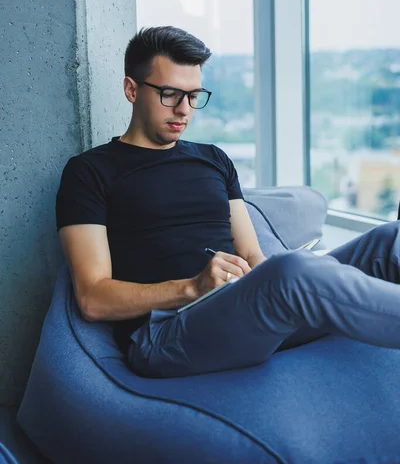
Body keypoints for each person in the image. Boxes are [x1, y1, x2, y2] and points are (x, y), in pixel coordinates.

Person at [56, 25, 400, 379]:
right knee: (291, 272)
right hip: (166, 333)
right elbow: (92, 299)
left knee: (390, 239)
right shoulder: (89, 172)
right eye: (170, 93)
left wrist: (274, 281)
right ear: (131, 89)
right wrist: (193, 287)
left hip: (239, 313)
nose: (184, 110)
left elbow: (253, 257)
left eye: (194, 96)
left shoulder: (214, 159)